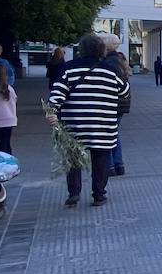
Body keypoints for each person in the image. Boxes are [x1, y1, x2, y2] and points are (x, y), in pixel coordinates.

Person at [47, 33, 130, 208]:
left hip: (75, 124)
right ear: (101, 50)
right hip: (103, 124)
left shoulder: (69, 68)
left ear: (81, 50)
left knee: (74, 159)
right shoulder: (110, 70)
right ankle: (99, 195)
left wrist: (51, 113)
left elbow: (56, 96)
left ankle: (74, 193)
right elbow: (124, 92)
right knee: (101, 160)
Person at [99, 33, 132, 175]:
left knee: (109, 134)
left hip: (113, 103)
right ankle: (118, 164)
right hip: (120, 103)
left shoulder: (109, 62)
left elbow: (113, 83)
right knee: (113, 132)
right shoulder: (118, 59)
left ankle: (111, 166)